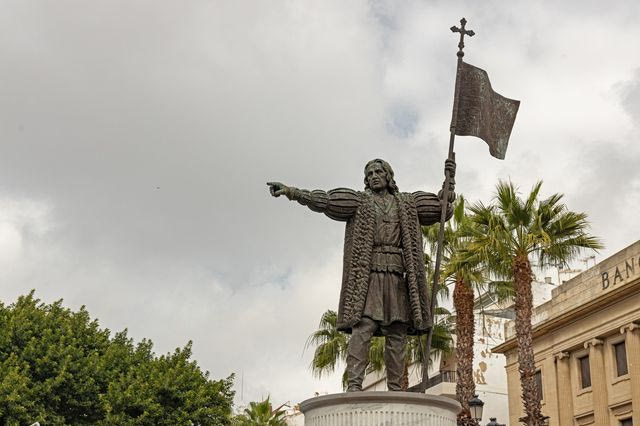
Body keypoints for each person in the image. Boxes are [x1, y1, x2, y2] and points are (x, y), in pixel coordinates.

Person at [267, 158, 455, 391]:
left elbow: (441, 210)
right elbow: (325, 200)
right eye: (369, 174)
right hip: (368, 276)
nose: (373, 176)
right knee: (363, 327)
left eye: (378, 172)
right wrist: (292, 192)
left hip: (397, 277)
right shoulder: (359, 202)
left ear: (388, 175)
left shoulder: (408, 203)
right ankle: (354, 384)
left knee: (397, 332)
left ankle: (396, 388)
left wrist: (449, 189)